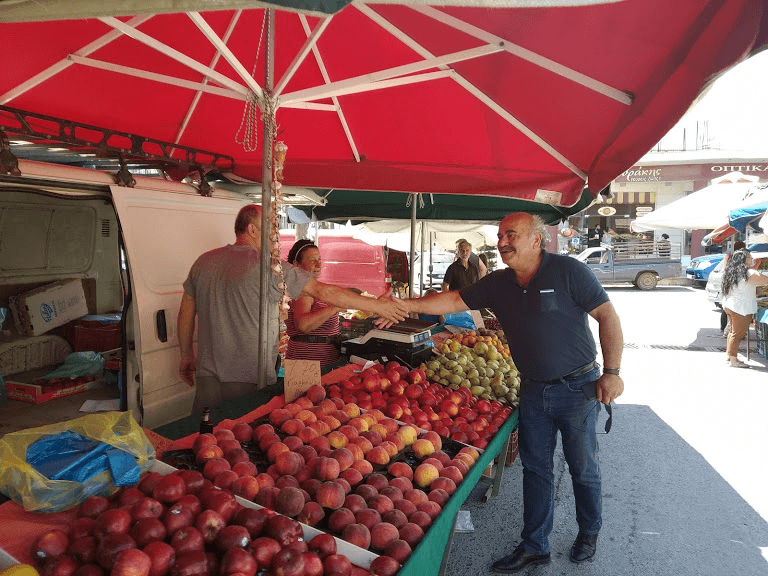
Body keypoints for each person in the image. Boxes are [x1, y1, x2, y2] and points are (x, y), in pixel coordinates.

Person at [405, 212, 624, 572]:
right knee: (536, 471)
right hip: (533, 391)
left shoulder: (569, 271)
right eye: (499, 235)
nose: (502, 241)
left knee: (583, 467)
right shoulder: (498, 283)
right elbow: (452, 301)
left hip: (578, 388)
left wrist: (613, 372)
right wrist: (407, 305)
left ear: (536, 240)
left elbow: (608, 316)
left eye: (511, 235)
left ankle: (589, 532)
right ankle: (535, 544)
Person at [178, 205, 408, 410]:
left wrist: (186, 354)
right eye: (270, 227)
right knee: (234, 445)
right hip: (248, 377)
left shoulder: (204, 261)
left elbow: (186, 312)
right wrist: (376, 305)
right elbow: (323, 291)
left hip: (207, 375)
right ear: (252, 229)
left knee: (202, 436)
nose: (275, 234)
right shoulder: (269, 268)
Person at [284, 239, 342, 367]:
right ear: (296, 264)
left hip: (318, 361)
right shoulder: (303, 291)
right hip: (307, 365)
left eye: (319, 259)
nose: (318, 264)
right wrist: (335, 307)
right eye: (312, 260)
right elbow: (303, 325)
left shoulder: (311, 289)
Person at [721, 248, 768, 367]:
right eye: (749, 257)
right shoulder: (748, 273)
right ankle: (734, 360)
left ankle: (730, 355)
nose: (752, 259)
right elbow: (764, 280)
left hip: (730, 305)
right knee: (738, 334)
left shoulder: (732, 271)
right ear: (743, 259)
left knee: (732, 332)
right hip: (741, 308)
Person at [720, 240, 746, 333]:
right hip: (732, 282)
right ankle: (726, 328)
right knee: (729, 307)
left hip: (726, 281)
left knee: (726, 306)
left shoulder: (728, 256)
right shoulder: (737, 257)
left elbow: (725, 268)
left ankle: (724, 327)